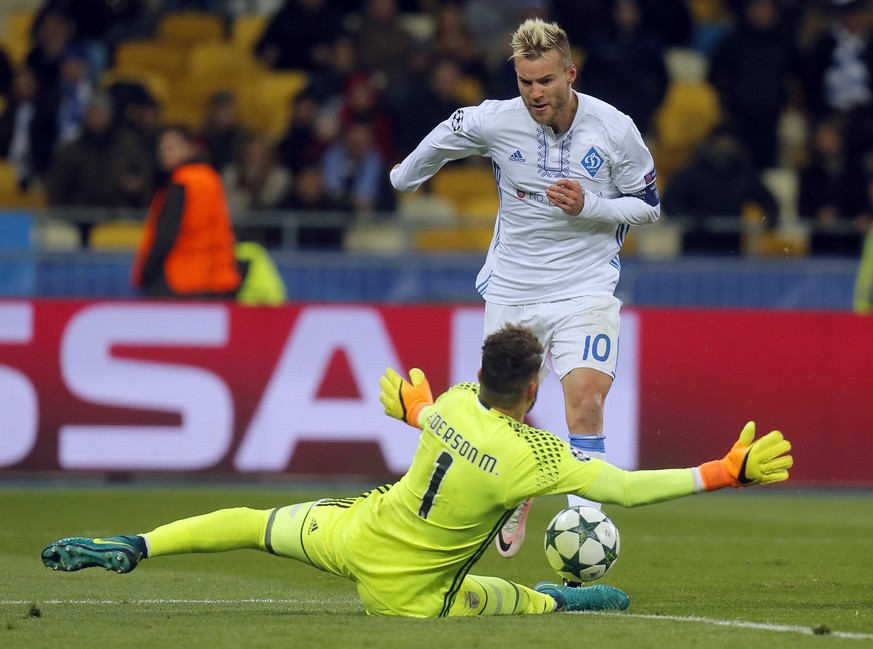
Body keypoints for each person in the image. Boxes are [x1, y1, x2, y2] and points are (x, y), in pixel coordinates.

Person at [40, 325, 793, 617]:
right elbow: (624, 488)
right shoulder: (533, 457)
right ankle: (565, 599)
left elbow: (431, 415)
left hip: (355, 532)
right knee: (519, 602)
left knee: (251, 523)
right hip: (411, 597)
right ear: (534, 389)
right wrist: (724, 471)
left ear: (482, 374)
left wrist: (413, 409)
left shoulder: (453, 402)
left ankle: (138, 544)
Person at [389, 18, 661, 559]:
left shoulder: (615, 129)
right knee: (502, 418)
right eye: (525, 82)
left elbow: (649, 207)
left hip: (585, 286)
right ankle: (518, 494)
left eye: (546, 81)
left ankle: (585, 531)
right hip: (512, 289)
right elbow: (444, 136)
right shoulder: (497, 120)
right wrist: (404, 177)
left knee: (586, 402)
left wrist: (591, 206)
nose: (535, 93)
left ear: (570, 75)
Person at [130, 124, 241, 299]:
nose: (163, 153)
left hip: (181, 278)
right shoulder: (210, 177)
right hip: (217, 278)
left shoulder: (181, 182)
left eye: (170, 148)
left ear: (189, 149)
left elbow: (166, 235)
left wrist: (146, 273)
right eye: (161, 148)